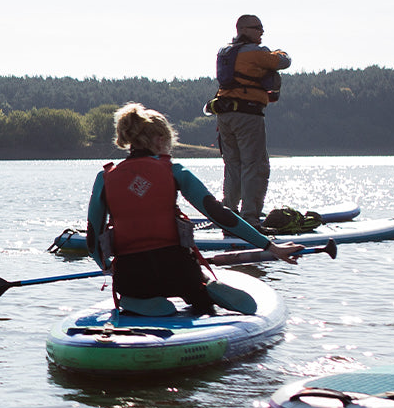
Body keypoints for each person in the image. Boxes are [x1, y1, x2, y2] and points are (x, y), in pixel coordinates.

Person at [83, 103, 302, 316]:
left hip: (133, 274)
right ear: (160, 140)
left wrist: (106, 266)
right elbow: (220, 214)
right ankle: (204, 292)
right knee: (198, 296)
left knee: (136, 290)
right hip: (177, 270)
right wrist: (270, 246)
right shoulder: (174, 170)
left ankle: (136, 301)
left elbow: (93, 236)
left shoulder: (105, 178)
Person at [207, 15, 289, 225]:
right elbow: (283, 61)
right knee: (255, 165)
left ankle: (230, 213)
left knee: (233, 164)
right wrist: (279, 53)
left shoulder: (224, 52)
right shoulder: (255, 52)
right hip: (248, 115)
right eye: (257, 28)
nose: (262, 31)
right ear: (243, 29)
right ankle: (250, 218)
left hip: (225, 115)